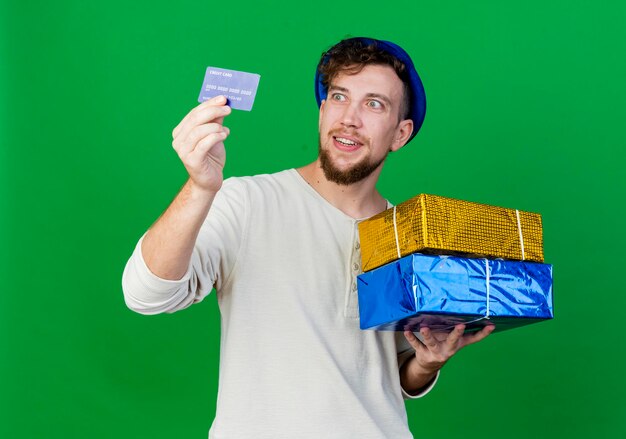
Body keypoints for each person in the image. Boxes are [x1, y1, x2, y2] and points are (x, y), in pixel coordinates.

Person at [122, 37, 494, 439]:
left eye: (373, 104)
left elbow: (392, 373)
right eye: (338, 96)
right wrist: (198, 188)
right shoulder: (246, 201)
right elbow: (146, 295)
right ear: (322, 110)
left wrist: (427, 363)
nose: (349, 118)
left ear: (400, 134)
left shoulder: (409, 236)